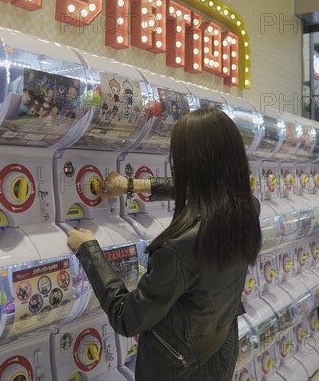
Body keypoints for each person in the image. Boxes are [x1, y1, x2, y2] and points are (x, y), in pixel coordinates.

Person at [67, 107, 262, 381]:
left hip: (179, 369)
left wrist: (88, 250)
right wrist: (133, 185)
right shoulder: (246, 208)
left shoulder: (180, 247)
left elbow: (127, 317)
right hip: (217, 350)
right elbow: (201, 186)